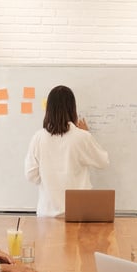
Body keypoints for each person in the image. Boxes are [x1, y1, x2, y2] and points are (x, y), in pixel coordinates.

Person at [24, 85, 109, 217]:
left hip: (47, 215)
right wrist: (87, 133)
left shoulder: (38, 137)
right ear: (72, 108)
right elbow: (103, 162)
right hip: (78, 214)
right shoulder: (82, 137)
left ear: (49, 109)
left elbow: (31, 175)